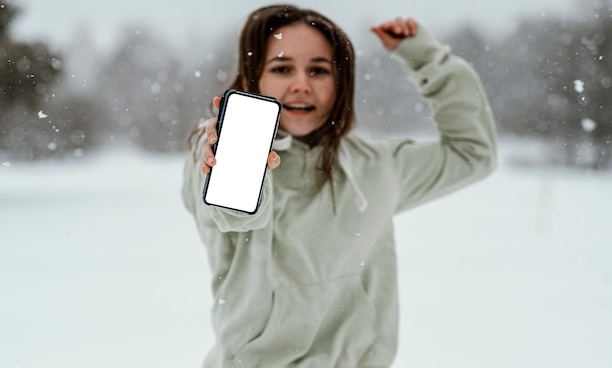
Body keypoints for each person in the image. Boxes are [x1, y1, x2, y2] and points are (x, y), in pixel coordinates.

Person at [182, 4, 497, 367]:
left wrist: (428, 60)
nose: (301, 84)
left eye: (318, 70)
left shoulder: (376, 167)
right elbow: (233, 215)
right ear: (254, 79)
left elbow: (472, 153)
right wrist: (232, 159)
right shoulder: (213, 152)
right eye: (282, 68)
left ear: (341, 83)